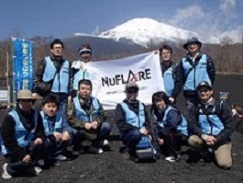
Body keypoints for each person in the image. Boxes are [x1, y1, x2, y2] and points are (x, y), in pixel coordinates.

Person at [186, 81, 233, 169]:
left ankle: (220, 149)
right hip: (204, 137)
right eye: (200, 91)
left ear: (211, 92)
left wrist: (217, 139)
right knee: (192, 140)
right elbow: (192, 124)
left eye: (206, 90)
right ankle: (205, 151)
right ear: (198, 93)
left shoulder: (221, 106)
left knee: (225, 164)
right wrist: (202, 135)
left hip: (220, 139)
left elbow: (229, 127)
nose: (203, 93)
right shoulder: (194, 107)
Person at [1, 90, 45, 179]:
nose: (26, 103)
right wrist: (22, 154)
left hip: (29, 146)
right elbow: (8, 140)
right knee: (25, 165)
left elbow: (40, 130)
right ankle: (9, 168)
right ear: (19, 101)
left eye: (29, 101)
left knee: (44, 144)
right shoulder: (10, 117)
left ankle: (29, 164)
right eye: (23, 101)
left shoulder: (36, 114)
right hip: (14, 149)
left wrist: (39, 138)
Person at [67, 79, 112, 154]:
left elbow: (103, 114)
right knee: (73, 131)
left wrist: (97, 121)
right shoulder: (73, 102)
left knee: (106, 126)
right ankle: (78, 147)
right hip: (81, 130)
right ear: (78, 90)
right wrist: (83, 124)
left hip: (94, 128)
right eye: (83, 88)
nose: (85, 91)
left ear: (91, 90)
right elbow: (70, 118)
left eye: (88, 89)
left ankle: (95, 146)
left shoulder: (96, 100)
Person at [115, 82, 156, 160]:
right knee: (136, 134)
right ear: (126, 92)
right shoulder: (120, 106)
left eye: (135, 91)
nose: (132, 93)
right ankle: (129, 149)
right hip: (129, 134)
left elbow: (147, 122)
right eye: (130, 91)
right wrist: (138, 130)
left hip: (143, 132)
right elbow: (121, 124)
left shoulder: (142, 105)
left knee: (156, 155)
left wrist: (149, 133)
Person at [32, 39, 72, 116]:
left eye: (60, 48)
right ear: (51, 50)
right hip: (50, 93)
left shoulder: (67, 63)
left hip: (64, 95)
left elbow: (70, 79)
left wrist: (70, 94)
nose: (58, 49)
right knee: (49, 115)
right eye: (56, 48)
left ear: (62, 49)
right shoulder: (45, 61)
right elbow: (37, 77)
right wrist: (39, 89)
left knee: (62, 116)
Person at [177, 37, 215, 107]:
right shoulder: (183, 61)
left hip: (204, 92)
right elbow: (180, 78)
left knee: (205, 114)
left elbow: (212, 75)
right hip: (189, 93)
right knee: (191, 115)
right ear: (187, 47)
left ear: (198, 46)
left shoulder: (206, 58)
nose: (192, 46)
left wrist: (208, 87)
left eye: (194, 44)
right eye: (189, 45)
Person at [151, 91, 188, 163]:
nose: (158, 103)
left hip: (181, 133)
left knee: (167, 133)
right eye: (156, 101)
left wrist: (163, 138)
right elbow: (157, 125)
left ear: (164, 100)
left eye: (160, 101)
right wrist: (158, 137)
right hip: (166, 132)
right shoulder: (158, 112)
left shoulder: (172, 111)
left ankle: (175, 154)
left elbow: (172, 126)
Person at [40, 94, 73, 161]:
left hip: (58, 137)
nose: (51, 109)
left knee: (70, 135)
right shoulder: (39, 116)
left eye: (54, 106)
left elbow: (66, 125)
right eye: (48, 106)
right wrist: (52, 133)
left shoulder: (60, 115)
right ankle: (43, 156)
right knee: (47, 141)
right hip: (45, 138)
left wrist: (66, 131)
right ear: (43, 107)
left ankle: (56, 154)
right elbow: (38, 132)